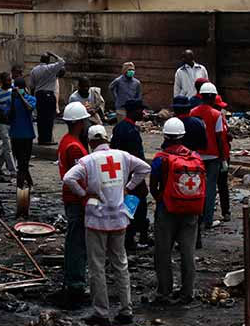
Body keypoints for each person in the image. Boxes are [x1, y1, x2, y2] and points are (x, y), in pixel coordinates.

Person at [63, 125, 151, 326]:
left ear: (91, 142)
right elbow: (145, 168)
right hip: (119, 219)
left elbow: (68, 178)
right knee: (121, 265)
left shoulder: (88, 160)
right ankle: (126, 310)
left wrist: (83, 193)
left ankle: (101, 313)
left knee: (97, 267)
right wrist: (128, 188)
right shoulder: (123, 156)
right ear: (106, 139)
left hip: (96, 220)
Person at [150, 118, 205, 306]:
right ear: (182, 136)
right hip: (191, 211)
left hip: (167, 210)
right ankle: (187, 292)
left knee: (163, 253)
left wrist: (160, 199)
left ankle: (164, 292)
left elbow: (153, 185)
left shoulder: (160, 159)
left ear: (165, 136)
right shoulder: (195, 157)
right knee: (188, 253)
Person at [57, 102, 91, 306]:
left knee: (74, 239)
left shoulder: (66, 140)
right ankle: (76, 282)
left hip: (70, 197)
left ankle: (72, 278)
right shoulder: (75, 148)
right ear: (79, 123)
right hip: (76, 199)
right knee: (77, 241)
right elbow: (80, 177)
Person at [111, 99, 151, 251]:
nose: (143, 113)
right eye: (141, 110)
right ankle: (134, 237)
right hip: (132, 173)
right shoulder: (130, 130)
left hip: (124, 172)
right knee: (137, 203)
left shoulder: (121, 127)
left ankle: (131, 235)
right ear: (134, 111)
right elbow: (136, 157)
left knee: (130, 203)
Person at [190, 83, 225, 232]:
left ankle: (196, 218)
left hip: (196, 155)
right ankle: (208, 220)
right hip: (212, 155)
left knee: (196, 187)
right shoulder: (216, 115)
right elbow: (219, 138)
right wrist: (223, 158)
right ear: (213, 97)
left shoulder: (192, 112)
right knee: (210, 188)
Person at [31, 51, 65, 145]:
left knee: (40, 118)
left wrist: (33, 97)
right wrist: (53, 54)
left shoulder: (34, 70)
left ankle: (41, 138)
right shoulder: (51, 68)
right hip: (49, 95)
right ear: (48, 60)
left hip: (39, 95)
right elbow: (62, 61)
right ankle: (48, 139)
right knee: (49, 118)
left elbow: (32, 86)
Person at [9, 77, 36, 189]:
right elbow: (9, 115)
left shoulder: (30, 98)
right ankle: (26, 185)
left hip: (27, 135)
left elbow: (30, 108)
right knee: (21, 163)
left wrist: (20, 97)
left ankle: (22, 186)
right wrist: (12, 98)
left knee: (23, 163)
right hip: (15, 135)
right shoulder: (11, 100)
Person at [213, 95, 232, 221]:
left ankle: (226, 211)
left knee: (223, 185)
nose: (221, 109)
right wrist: (222, 157)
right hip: (218, 155)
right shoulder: (215, 117)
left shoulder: (221, 118)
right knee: (218, 184)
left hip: (223, 154)